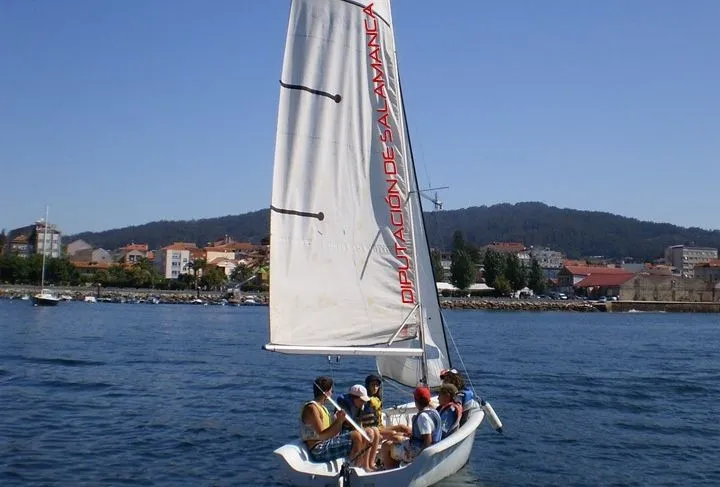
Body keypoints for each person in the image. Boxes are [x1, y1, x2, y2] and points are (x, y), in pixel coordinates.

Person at [301, 376, 375, 471]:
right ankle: (353, 468)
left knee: (362, 434)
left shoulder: (323, 408)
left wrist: (339, 420)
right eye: (331, 391)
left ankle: (360, 466)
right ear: (326, 392)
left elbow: (333, 432)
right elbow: (322, 435)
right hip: (318, 449)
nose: (332, 394)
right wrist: (339, 421)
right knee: (356, 436)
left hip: (326, 442)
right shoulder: (312, 408)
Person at [380, 386, 442, 469]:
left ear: (416, 400)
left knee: (386, 445)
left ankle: (390, 471)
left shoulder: (423, 417)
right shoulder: (434, 411)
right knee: (396, 437)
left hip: (418, 452)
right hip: (431, 447)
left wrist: (418, 460)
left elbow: (428, 441)